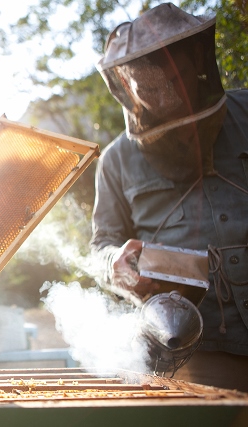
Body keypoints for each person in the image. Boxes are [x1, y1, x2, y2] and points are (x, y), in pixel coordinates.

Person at [91, 2, 248, 391]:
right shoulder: (116, 160)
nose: (164, 93)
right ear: (128, 87)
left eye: (172, 77)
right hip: (193, 347)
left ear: (196, 63)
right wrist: (117, 264)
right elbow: (101, 248)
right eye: (149, 84)